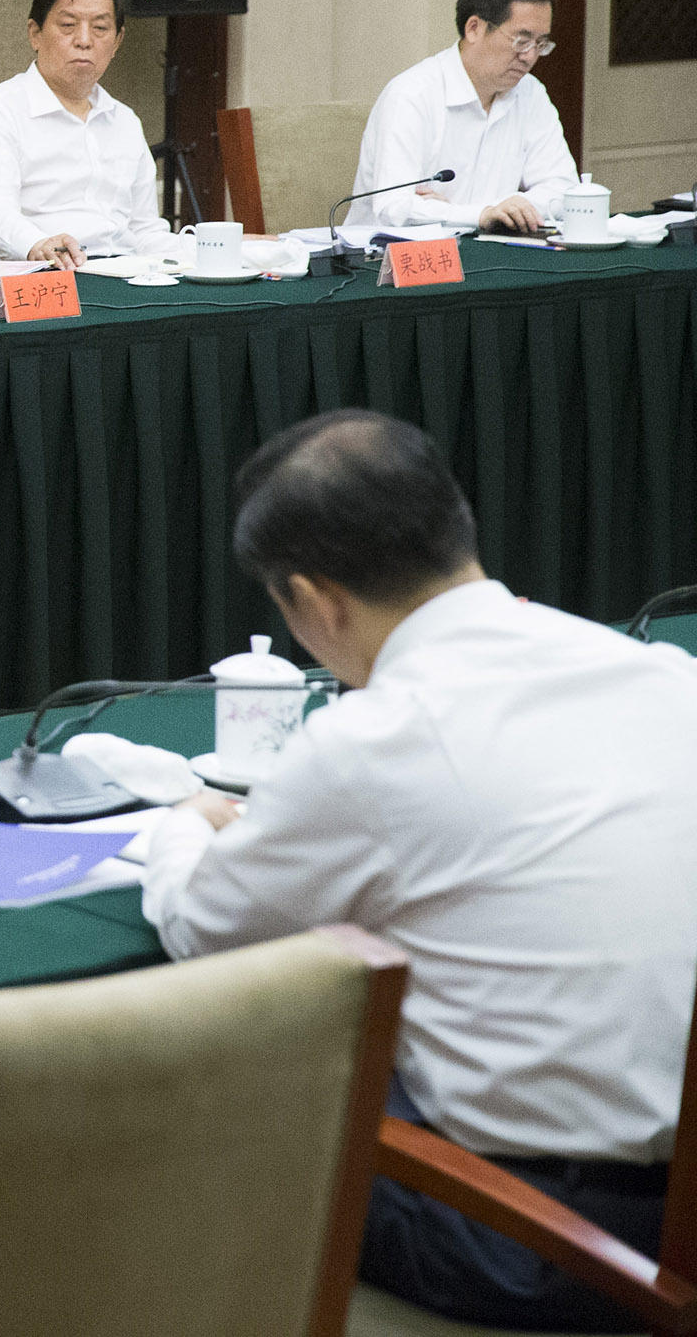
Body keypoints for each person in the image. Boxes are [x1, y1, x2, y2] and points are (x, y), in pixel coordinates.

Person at [141, 411, 697, 1332]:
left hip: (542, 1242)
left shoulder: (372, 742)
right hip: (677, 1200)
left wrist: (183, 826)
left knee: (215, 1097)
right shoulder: (663, 677)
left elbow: (204, 930)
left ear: (314, 601)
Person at [0, 0, 168, 270]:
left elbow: (144, 231)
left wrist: (214, 250)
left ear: (117, 41)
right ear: (35, 34)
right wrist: (37, 245)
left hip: (123, 274)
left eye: (100, 28)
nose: (84, 40)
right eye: (68, 25)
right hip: (38, 278)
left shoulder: (124, 121)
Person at [352, 0, 579, 235]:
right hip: (390, 256)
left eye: (540, 44)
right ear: (474, 28)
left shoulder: (530, 93)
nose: (530, 56)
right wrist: (481, 215)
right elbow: (393, 207)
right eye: (521, 41)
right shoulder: (411, 95)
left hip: (490, 249)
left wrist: (497, 210)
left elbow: (565, 190)